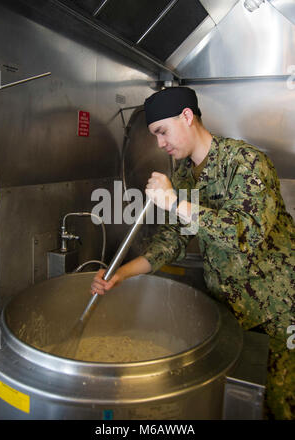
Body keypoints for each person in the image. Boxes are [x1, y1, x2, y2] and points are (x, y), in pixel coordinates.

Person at [91, 87, 295, 420]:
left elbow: (245, 233)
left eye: (162, 131)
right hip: (232, 313)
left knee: (281, 403)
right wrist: (120, 275)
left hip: (278, 314)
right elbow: (172, 241)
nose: (160, 143)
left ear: (187, 116)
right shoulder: (184, 176)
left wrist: (173, 202)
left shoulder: (245, 161)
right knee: (243, 406)